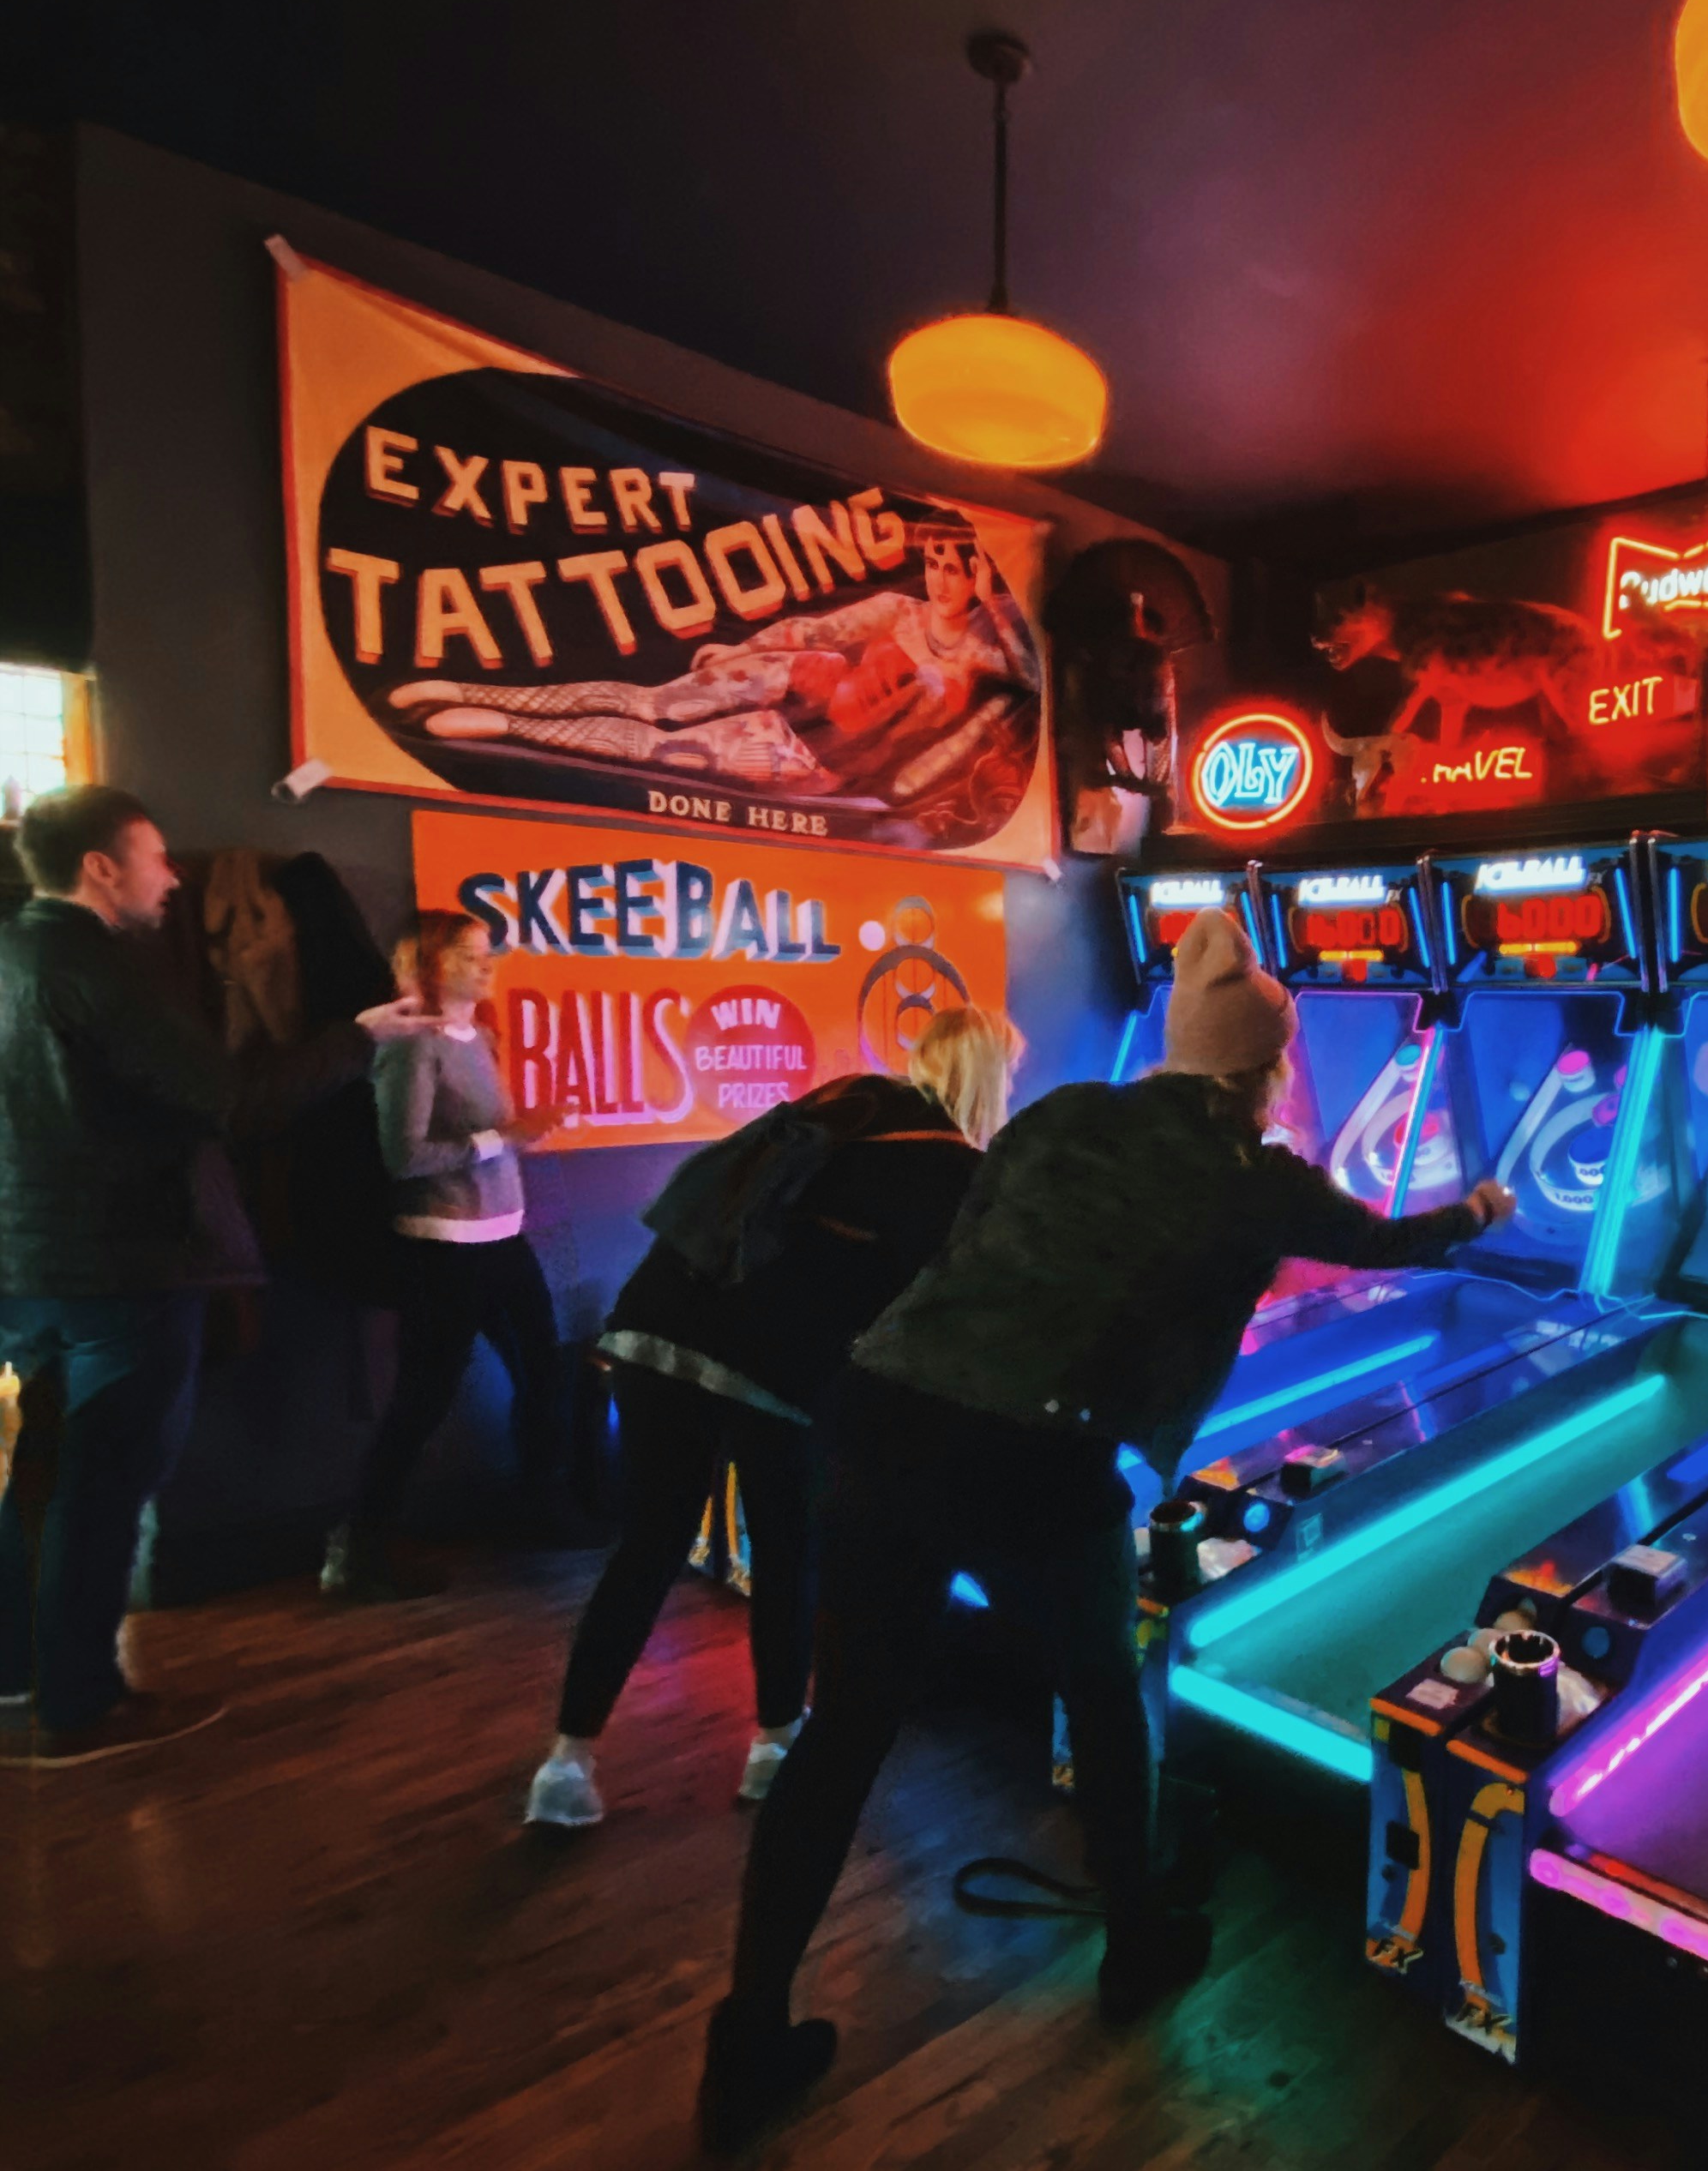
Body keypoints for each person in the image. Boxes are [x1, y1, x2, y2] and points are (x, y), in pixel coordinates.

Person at [695, 906, 1515, 2154]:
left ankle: (748, 2034)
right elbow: (1380, 1242)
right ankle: (1134, 1949)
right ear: (1268, 1069)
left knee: (844, 1731)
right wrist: (1483, 1210)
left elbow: (980, 1247)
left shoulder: (1065, 1114)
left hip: (883, 1409)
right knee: (1103, 1678)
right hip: (1033, 1443)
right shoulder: (1257, 1177)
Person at [524, 1001, 1019, 1831]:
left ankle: (565, 1765)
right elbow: (939, 1317)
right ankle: (774, 1745)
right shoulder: (949, 1167)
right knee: (789, 1553)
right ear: (990, 1077)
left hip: (654, 1323)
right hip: (771, 1366)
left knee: (646, 1549)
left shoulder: (850, 1102)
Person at [0, 785, 400, 1759]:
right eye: (155, 856)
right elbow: (230, 1100)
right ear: (100, 867)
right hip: (126, 1260)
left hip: (30, 1256)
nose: (172, 876)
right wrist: (363, 1037)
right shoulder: (104, 966)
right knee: (106, 1483)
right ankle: (82, 1704)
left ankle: (19, 1674)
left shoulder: (13, 954)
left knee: (42, 1472)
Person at [320, 911, 562, 1597]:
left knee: (545, 1373)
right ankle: (357, 1548)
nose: (486, 966)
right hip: (444, 1245)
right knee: (424, 1398)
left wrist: (513, 1138)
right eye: (468, 954)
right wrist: (503, 1139)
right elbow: (405, 1158)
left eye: (489, 954)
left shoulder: (479, 1034)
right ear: (426, 963)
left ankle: (537, 1509)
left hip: (503, 1233)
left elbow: (492, 1137)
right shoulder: (411, 1046)